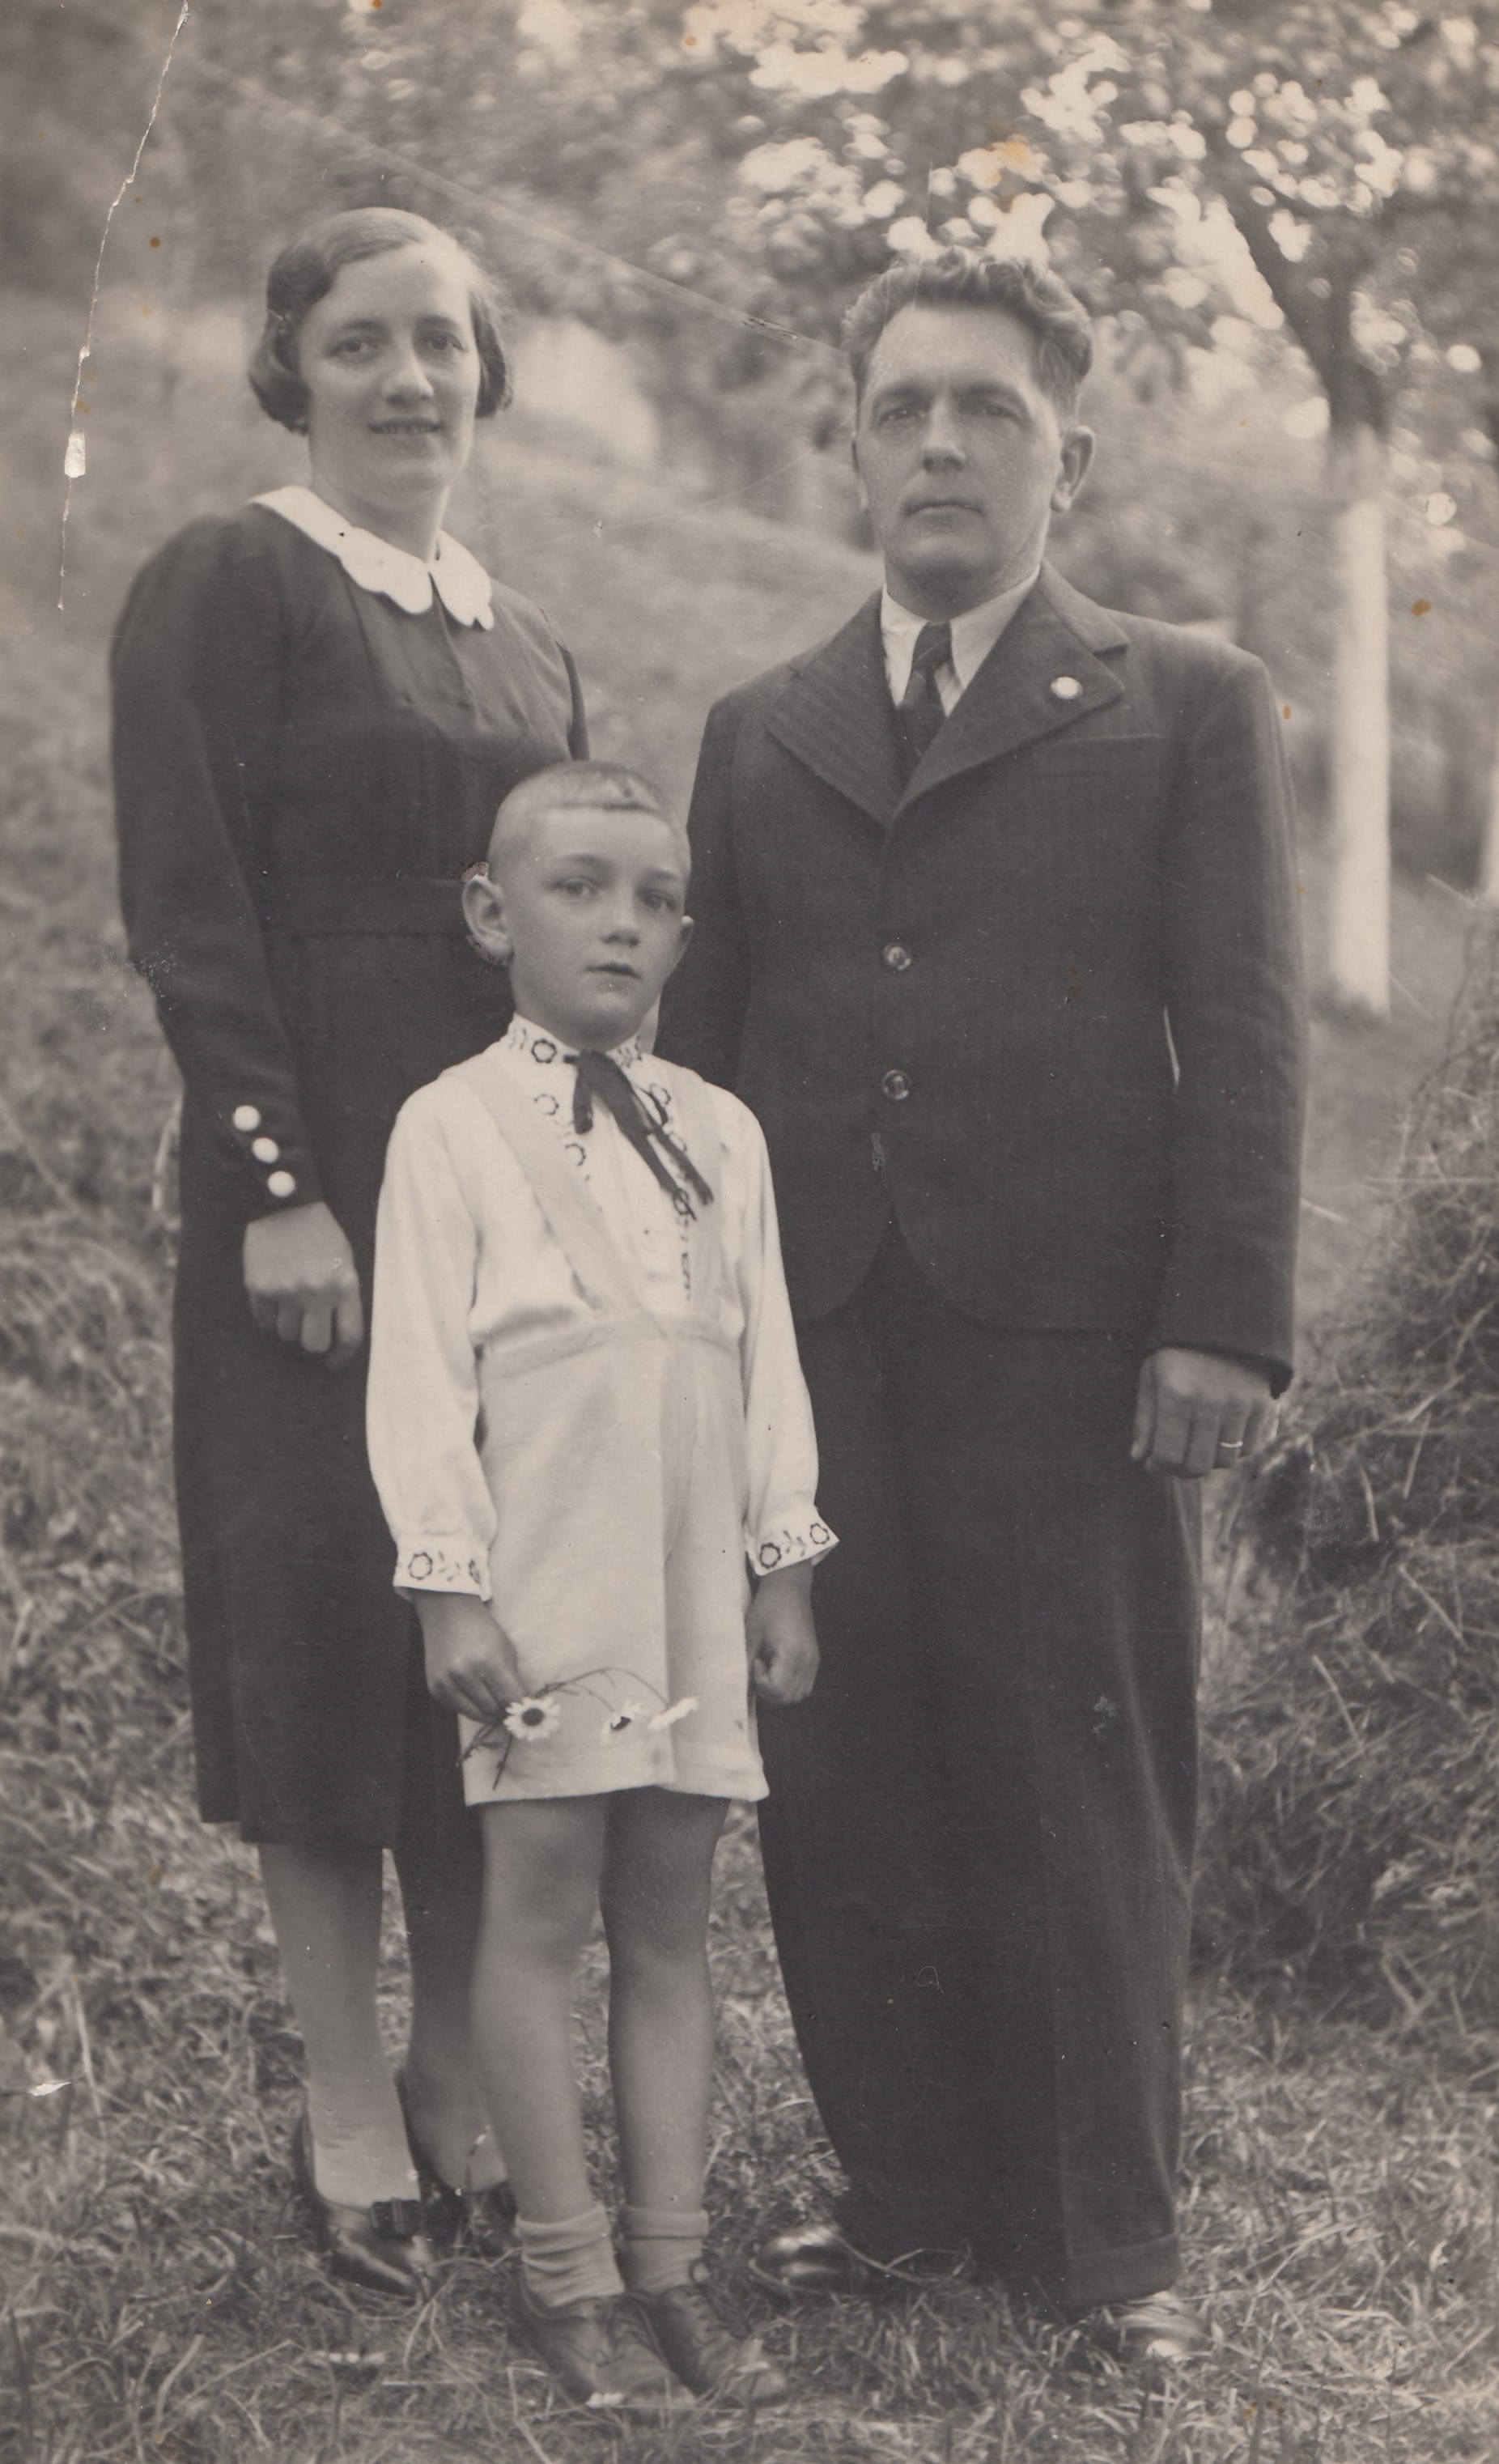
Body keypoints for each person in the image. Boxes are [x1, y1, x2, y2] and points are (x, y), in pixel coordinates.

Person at [656, 250, 1306, 2361]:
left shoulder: (1182, 697)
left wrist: (1219, 1316)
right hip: (817, 1341)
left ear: (1066, 458)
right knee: (844, 1761)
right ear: (851, 445)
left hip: (1072, 1348)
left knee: (1080, 1770)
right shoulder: (760, 728)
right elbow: (702, 1071)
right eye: (902, 408)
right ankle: (909, 2192)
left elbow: (1246, 1027)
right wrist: (693, 1340)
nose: (939, 444)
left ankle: (1105, 2245)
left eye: (988, 411)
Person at [110, 206, 588, 2296]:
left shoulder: (527, 642)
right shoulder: (233, 579)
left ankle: (453, 2082)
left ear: (487, 373)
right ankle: (340, 2101)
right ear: (289, 371)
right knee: (321, 1628)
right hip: (317, 1203)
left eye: (443, 343)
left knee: (481, 1640)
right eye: (364, 343)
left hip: (502, 1210)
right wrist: (276, 1181)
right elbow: (188, 903)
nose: (410, 380)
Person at [366, 761, 830, 2412]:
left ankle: (671, 2269)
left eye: (654, 899)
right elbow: (419, 1377)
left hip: (691, 1562)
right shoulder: (448, 1125)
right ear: (492, 913)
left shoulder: (724, 1131)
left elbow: (765, 1360)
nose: (620, 923)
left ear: (686, 933)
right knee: (542, 1898)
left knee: (670, 1919)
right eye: (577, 888)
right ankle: (564, 2273)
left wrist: (782, 1564)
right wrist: (449, 1585)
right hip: (547, 1557)